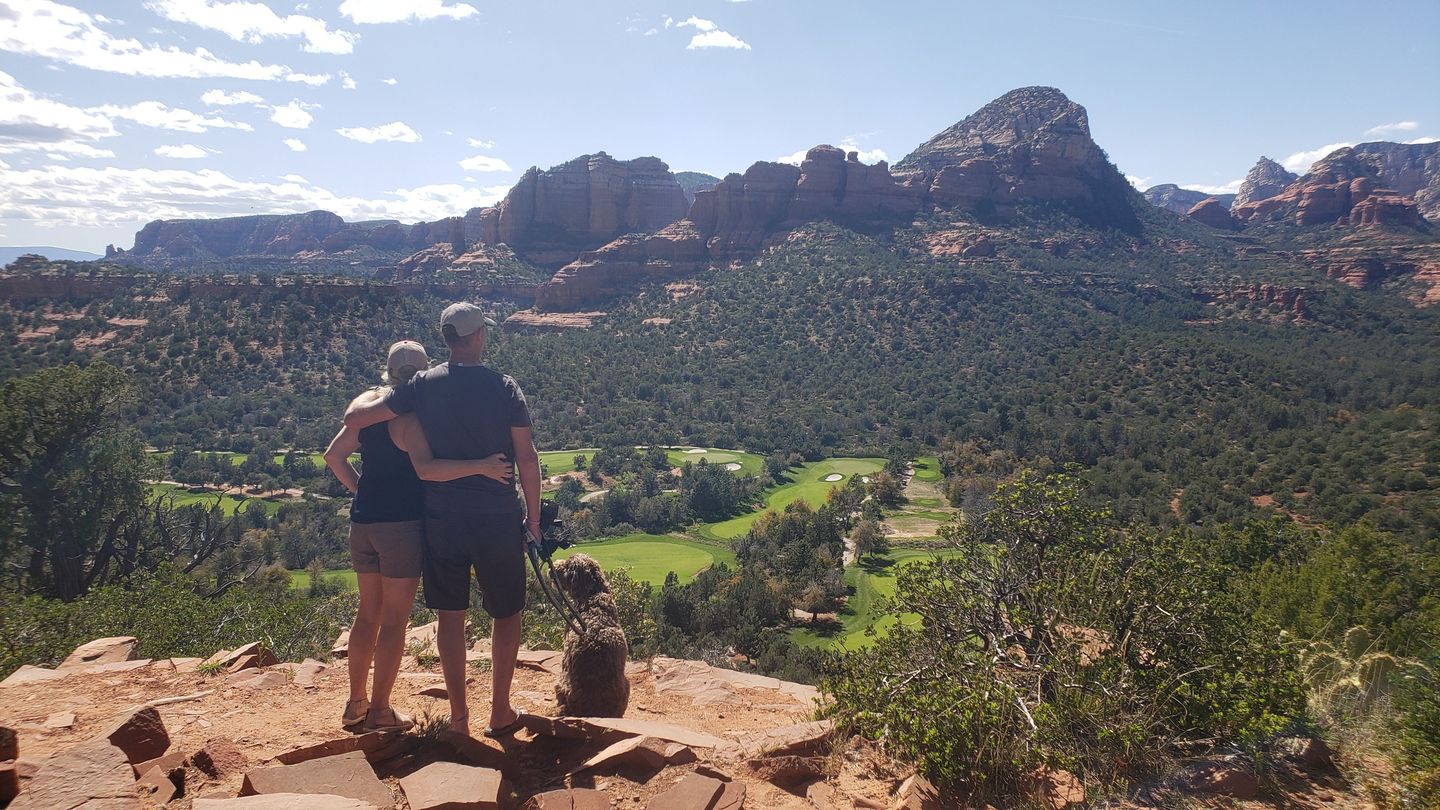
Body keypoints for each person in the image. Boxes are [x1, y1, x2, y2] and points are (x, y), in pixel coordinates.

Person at [344, 303, 542, 739]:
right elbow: (527, 459)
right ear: (478, 337)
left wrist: (364, 413)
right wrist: (535, 520)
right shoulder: (504, 387)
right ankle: (500, 711)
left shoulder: (421, 386)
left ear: (447, 339)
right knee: (506, 614)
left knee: (451, 617)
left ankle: (459, 719)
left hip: (442, 520)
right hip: (495, 517)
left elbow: (356, 420)